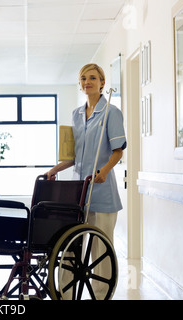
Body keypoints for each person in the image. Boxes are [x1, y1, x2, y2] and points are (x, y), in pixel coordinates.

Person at [45, 63, 127, 249]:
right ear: (79, 85)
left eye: (92, 78)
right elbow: (73, 156)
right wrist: (54, 170)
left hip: (102, 190)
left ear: (102, 83)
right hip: (78, 191)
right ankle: (69, 280)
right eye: (83, 78)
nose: (87, 82)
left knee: (100, 249)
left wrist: (105, 171)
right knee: (72, 246)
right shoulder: (76, 114)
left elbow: (118, 150)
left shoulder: (111, 113)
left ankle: (101, 280)